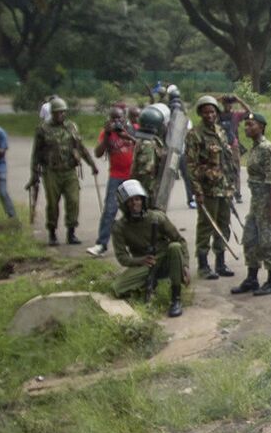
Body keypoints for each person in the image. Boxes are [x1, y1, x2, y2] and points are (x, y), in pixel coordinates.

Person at [106, 179, 185, 318]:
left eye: (137, 199)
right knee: (117, 288)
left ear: (143, 200)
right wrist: (140, 260)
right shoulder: (119, 227)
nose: (134, 204)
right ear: (124, 205)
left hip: (165, 258)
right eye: (130, 201)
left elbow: (179, 240)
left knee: (175, 247)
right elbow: (122, 257)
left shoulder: (157, 217)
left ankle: (176, 299)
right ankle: (145, 288)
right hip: (145, 263)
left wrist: (185, 266)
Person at [29, 96, 98, 246]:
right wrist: (34, 175)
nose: (61, 115)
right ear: (52, 113)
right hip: (51, 172)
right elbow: (36, 154)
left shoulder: (71, 127)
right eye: (58, 113)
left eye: (63, 112)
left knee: (73, 201)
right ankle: (52, 233)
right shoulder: (43, 130)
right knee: (53, 204)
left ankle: (71, 232)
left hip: (70, 171)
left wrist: (92, 164)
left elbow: (81, 147)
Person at [184, 94, 237, 279]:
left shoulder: (221, 131)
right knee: (206, 226)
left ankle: (220, 263)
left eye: (212, 112)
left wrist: (231, 186)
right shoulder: (195, 135)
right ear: (200, 113)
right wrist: (197, 191)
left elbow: (226, 160)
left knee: (223, 225)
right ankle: (203, 265)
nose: (210, 115)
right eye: (206, 112)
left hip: (223, 188)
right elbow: (191, 166)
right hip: (207, 190)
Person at [233, 113, 271, 296]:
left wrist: (270, 206)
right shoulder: (255, 148)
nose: (247, 128)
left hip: (268, 201)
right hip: (257, 203)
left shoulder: (266, 148)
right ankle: (252, 278)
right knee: (251, 240)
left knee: (269, 242)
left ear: (261, 127)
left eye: (251, 124)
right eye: (246, 125)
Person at [89, 103, 137, 255]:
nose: (117, 122)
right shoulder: (106, 133)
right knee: (110, 210)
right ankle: (101, 244)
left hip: (133, 176)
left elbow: (142, 145)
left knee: (134, 211)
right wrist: (108, 137)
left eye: (119, 119)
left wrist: (126, 136)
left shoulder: (134, 129)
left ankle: (136, 244)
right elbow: (97, 153)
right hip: (116, 176)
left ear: (125, 118)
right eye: (113, 119)